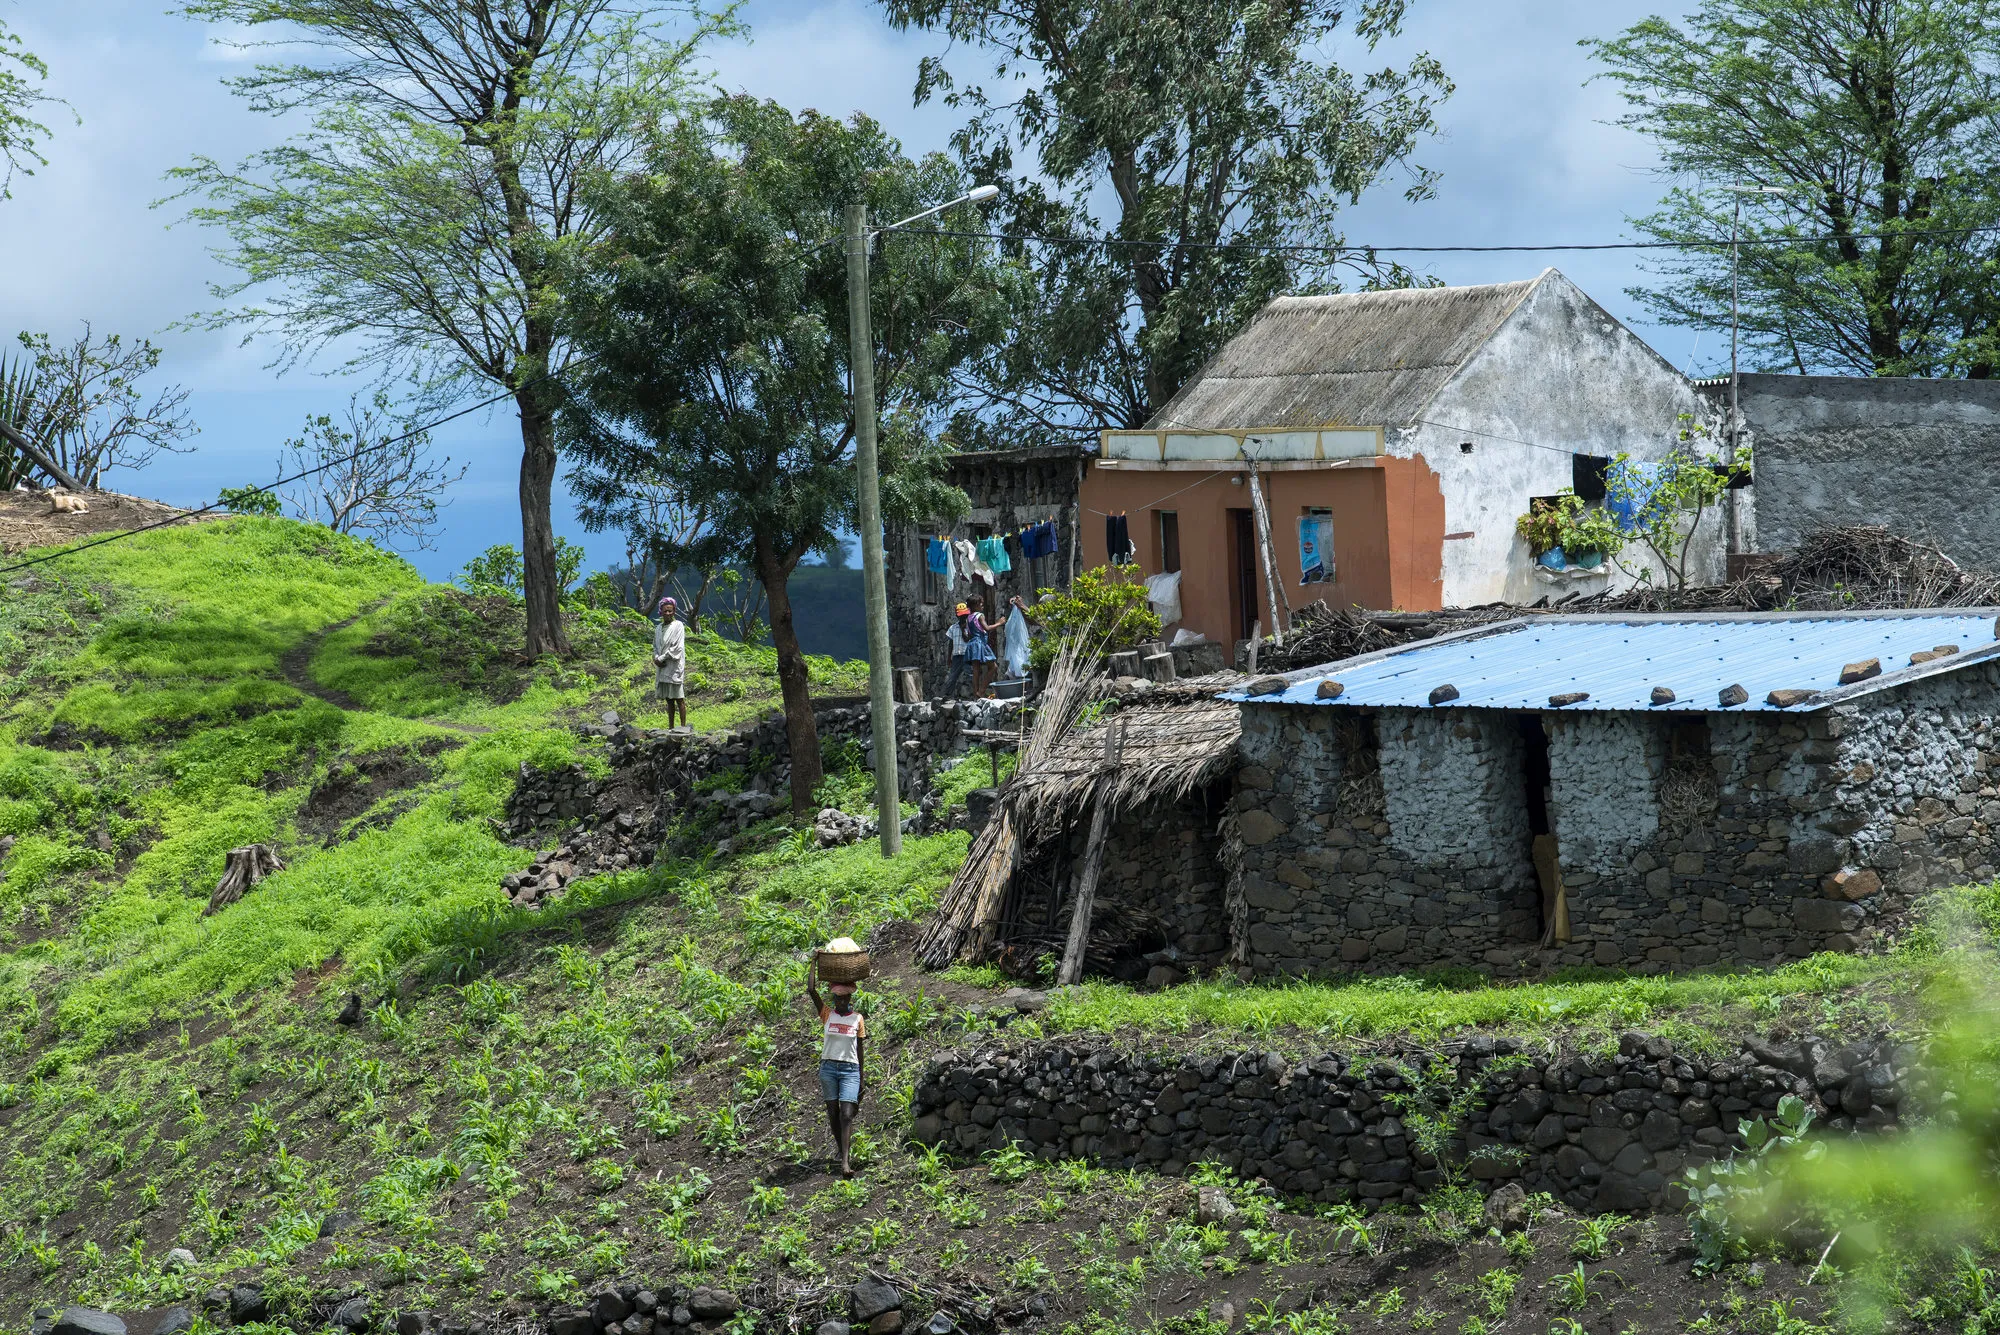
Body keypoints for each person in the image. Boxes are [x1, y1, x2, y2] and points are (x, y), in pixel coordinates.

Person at [805, 957, 867, 1176]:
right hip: (829, 1069)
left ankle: (845, 1161)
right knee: (833, 1113)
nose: (840, 1001)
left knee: (847, 1113)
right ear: (833, 998)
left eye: (844, 998)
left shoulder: (857, 1019)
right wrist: (814, 962)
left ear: (850, 998)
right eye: (837, 998)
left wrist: (862, 1077)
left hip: (850, 1070)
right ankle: (843, 1154)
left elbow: (860, 1050)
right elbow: (811, 990)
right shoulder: (827, 1014)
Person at [653, 597, 688, 731]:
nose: (667, 613)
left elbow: (677, 648)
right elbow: (655, 646)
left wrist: (661, 658)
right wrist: (656, 657)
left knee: (679, 698)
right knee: (669, 699)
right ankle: (671, 727)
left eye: (670, 611)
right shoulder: (658, 628)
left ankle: (683, 727)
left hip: (673, 667)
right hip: (663, 668)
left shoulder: (678, 626)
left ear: (674, 611)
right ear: (661, 611)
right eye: (665, 611)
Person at [963, 595, 997, 696]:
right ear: (975, 605)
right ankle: (981, 690)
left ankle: (976, 694)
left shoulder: (968, 618)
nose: (982, 604)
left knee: (976, 670)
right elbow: (987, 628)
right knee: (993, 667)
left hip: (972, 644)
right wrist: (999, 623)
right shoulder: (979, 615)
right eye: (980, 603)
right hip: (980, 643)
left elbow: (969, 635)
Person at [938, 602, 970, 700]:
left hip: (967, 654)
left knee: (970, 675)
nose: (963, 617)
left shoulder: (969, 626)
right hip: (956, 655)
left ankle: (974, 695)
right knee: (952, 676)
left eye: (964, 615)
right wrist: (949, 657)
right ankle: (947, 695)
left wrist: (963, 629)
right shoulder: (953, 627)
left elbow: (967, 639)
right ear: (957, 616)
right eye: (961, 616)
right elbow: (951, 643)